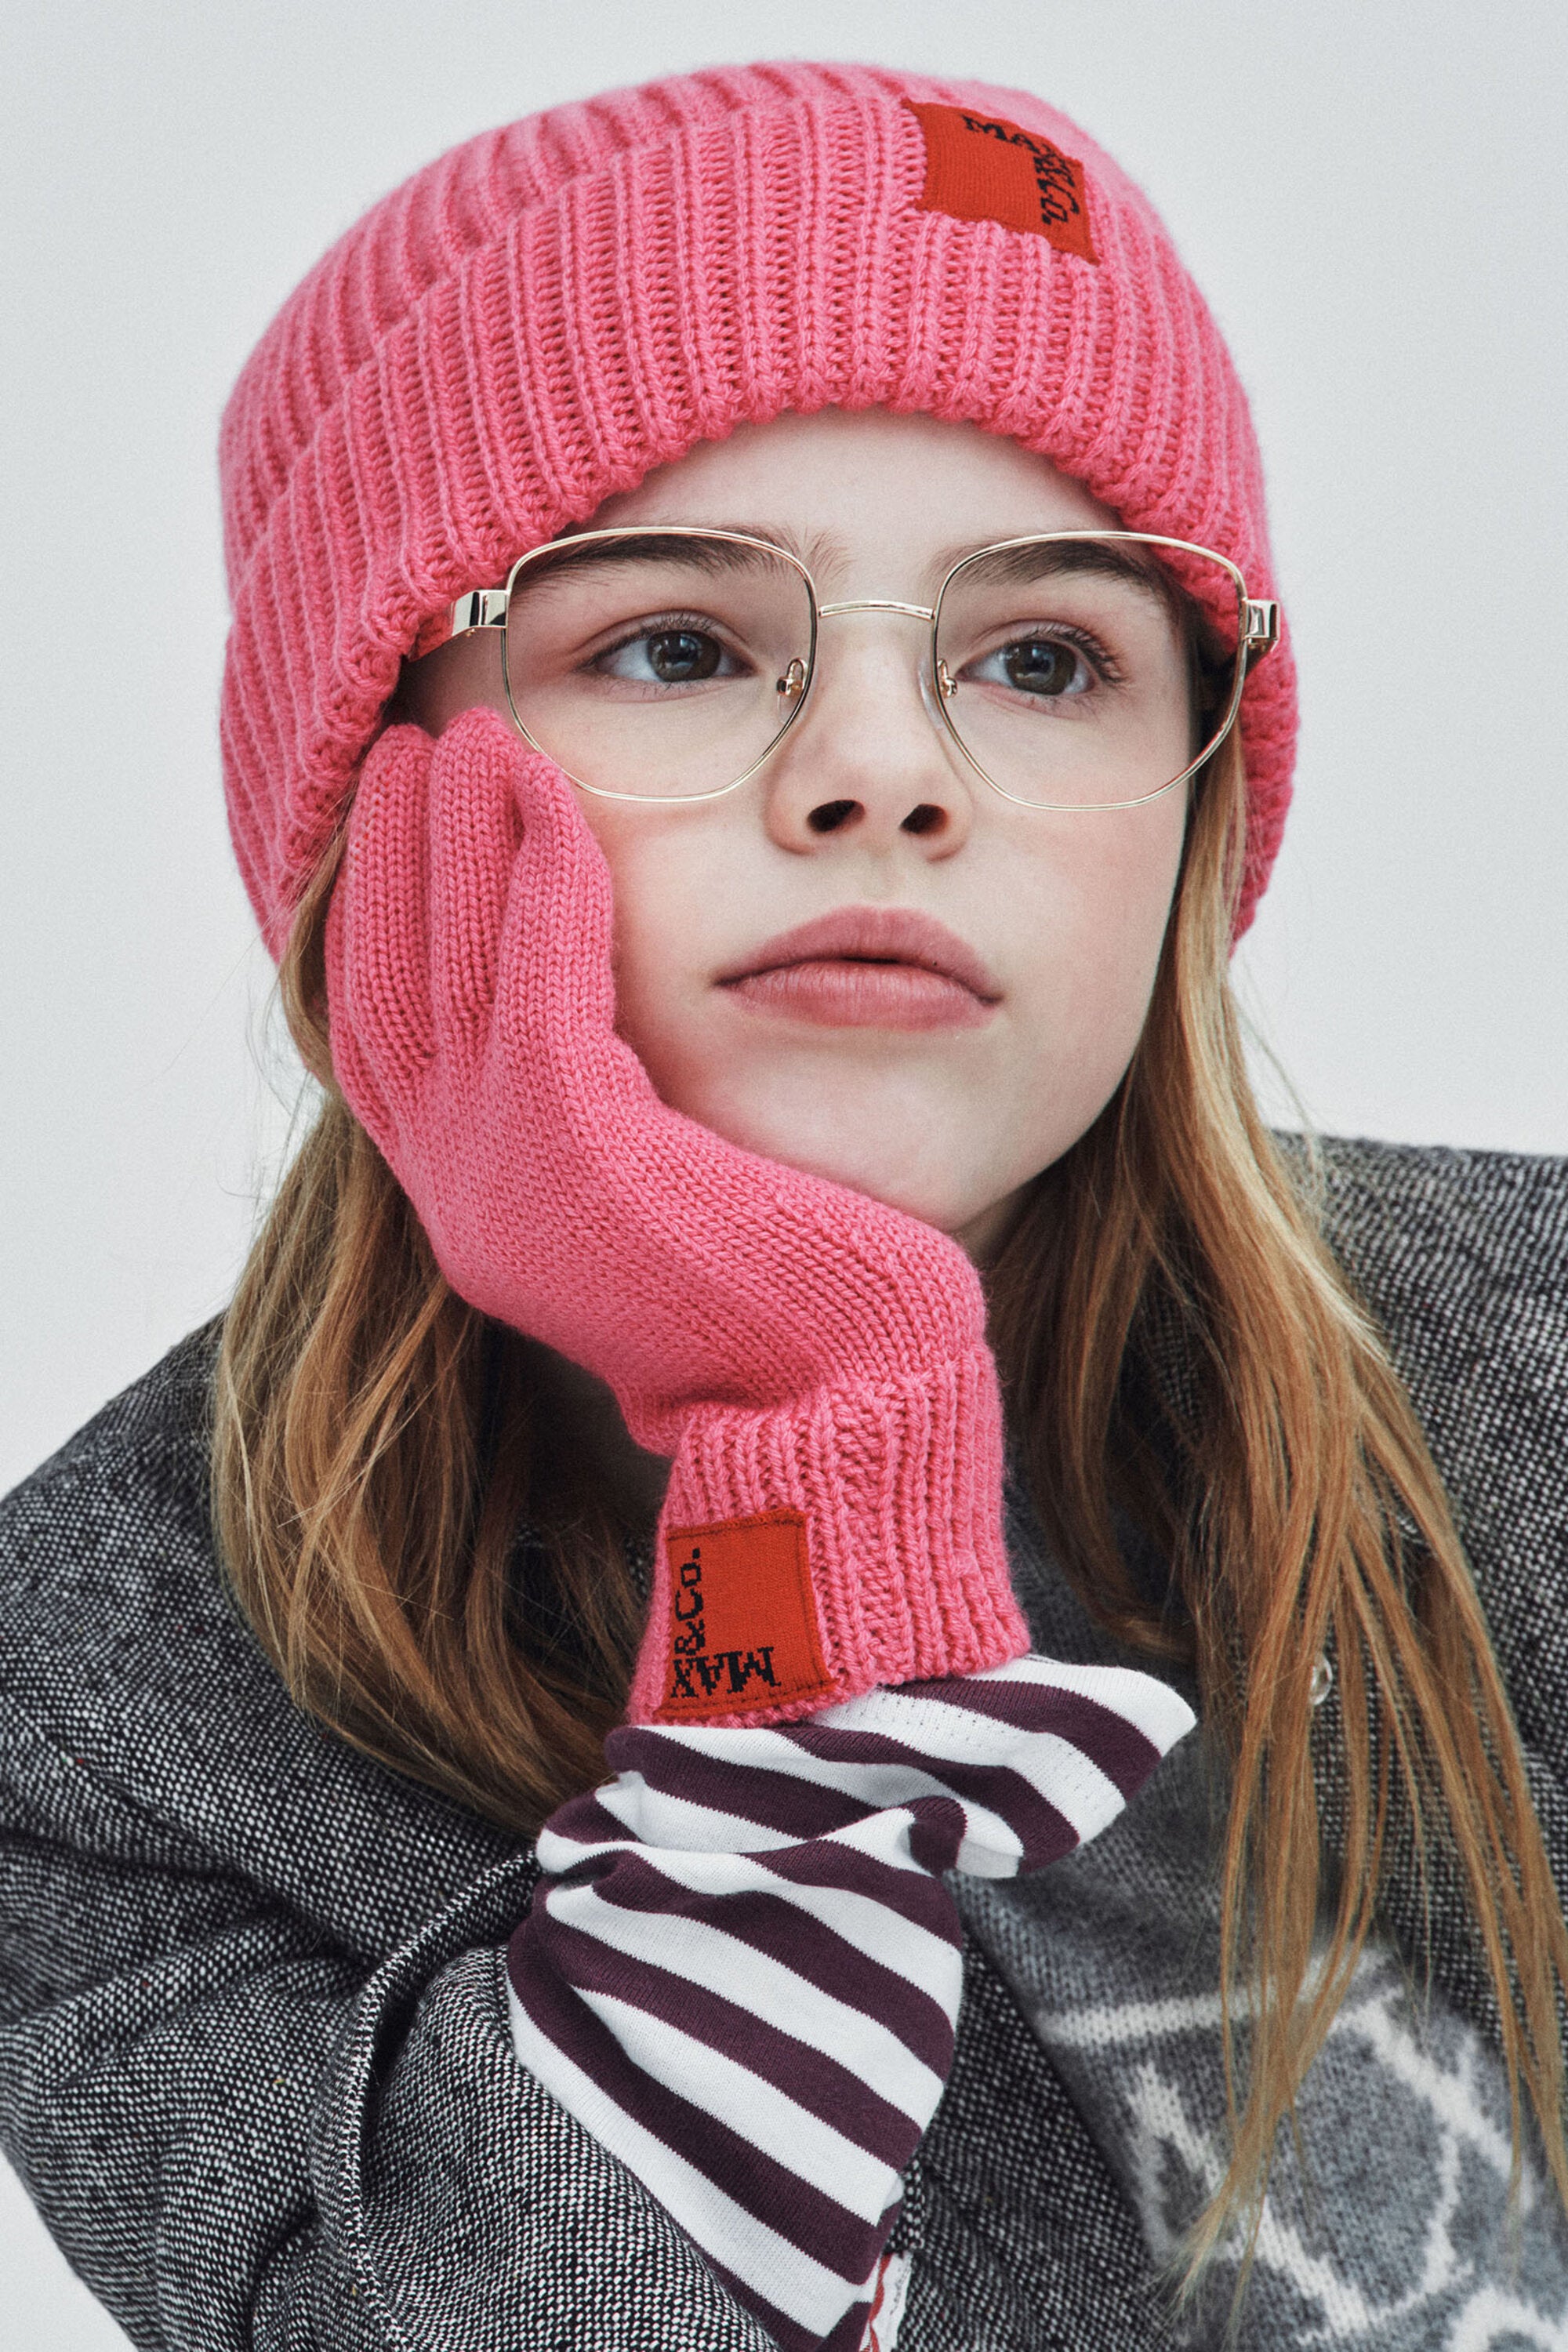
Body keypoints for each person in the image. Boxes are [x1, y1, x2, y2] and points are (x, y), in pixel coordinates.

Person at [3, 56, 1567, 2352]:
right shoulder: (104, 1717)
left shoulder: (1536, 1350)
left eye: (1045, 659)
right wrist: (800, 1425)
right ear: (380, 810)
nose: (884, 775)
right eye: (678, 645)